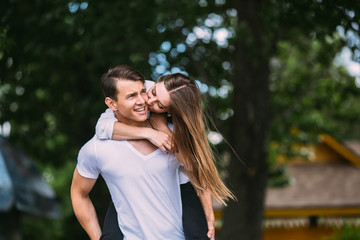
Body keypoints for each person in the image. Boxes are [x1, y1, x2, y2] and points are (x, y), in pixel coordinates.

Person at [96, 71, 235, 240]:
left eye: (160, 105)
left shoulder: (181, 127)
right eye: (153, 92)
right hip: (136, 181)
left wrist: (209, 216)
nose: (148, 101)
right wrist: (148, 132)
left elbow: (197, 172)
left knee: (199, 235)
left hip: (179, 185)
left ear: (170, 111)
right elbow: (103, 128)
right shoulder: (141, 90)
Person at [70, 65, 186, 240]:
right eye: (131, 96)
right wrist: (97, 237)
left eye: (143, 92)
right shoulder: (96, 148)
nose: (142, 101)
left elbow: (200, 176)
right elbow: (79, 194)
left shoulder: (174, 133)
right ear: (111, 104)